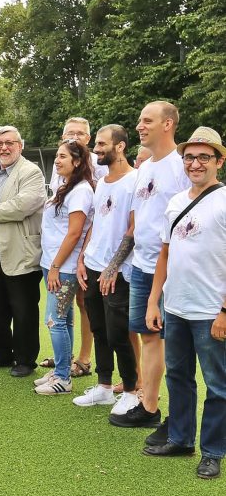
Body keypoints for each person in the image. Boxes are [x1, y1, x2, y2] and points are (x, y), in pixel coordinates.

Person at [142, 127, 226, 480]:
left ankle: (213, 452)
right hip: (175, 307)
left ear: (219, 161)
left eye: (203, 157)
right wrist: (153, 301)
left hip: (211, 312)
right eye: (189, 157)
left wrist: (224, 311)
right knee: (178, 376)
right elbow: (165, 254)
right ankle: (180, 438)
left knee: (218, 386)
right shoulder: (176, 202)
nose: (195, 163)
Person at [109, 101, 190, 431]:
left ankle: (180, 419)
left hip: (170, 268)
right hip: (141, 267)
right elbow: (138, 221)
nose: (139, 126)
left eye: (147, 120)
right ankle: (150, 406)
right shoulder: (145, 168)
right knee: (149, 335)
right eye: (140, 120)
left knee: (176, 343)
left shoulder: (180, 166)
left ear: (168, 124)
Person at [74, 124, 140, 414]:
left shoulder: (136, 181)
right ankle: (103, 387)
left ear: (121, 146)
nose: (96, 149)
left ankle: (130, 391)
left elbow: (135, 227)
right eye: (96, 144)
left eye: (102, 144)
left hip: (118, 272)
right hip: (92, 265)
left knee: (118, 334)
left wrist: (113, 268)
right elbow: (96, 225)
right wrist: (82, 258)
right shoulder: (101, 182)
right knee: (99, 329)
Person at [0, 126, 46, 377]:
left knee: (23, 306)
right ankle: (0, 354)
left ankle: (25, 360)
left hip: (19, 247)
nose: (3, 148)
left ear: (20, 145)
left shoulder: (31, 172)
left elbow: (22, 205)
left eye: (9, 143)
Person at [41, 117, 105, 379]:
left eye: (80, 134)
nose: (74, 137)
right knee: (65, 316)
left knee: (68, 312)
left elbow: (80, 227)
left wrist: (69, 261)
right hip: (57, 258)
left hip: (72, 260)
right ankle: (63, 363)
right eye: (69, 134)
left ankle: (76, 364)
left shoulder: (90, 179)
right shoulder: (62, 176)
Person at [32, 139, 94, 395]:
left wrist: (57, 266)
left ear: (77, 162)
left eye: (63, 157)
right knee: (65, 320)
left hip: (64, 267)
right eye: (57, 156)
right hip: (53, 263)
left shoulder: (81, 190)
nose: (57, 160)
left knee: (54, 320)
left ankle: (62, 379)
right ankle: (62, 369)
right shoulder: (64, 185)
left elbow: (74, 233)